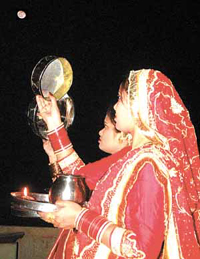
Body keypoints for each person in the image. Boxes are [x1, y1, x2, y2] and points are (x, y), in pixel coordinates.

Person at [36, 69, 200, 258]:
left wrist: (80, 218)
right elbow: (80, 178)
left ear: (140, 107)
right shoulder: (133, 158)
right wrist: (53, 122)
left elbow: (142, 250)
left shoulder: (150, 164)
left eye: (120, 99)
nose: (115, 107)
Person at [43, 103, 132, 182]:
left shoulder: (127, 162)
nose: (100, 132)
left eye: (106, 126)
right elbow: (68, 191)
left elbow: (79, 180)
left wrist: (54, 124)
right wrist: (53, 157)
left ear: (124, 135)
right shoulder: (120, 163)